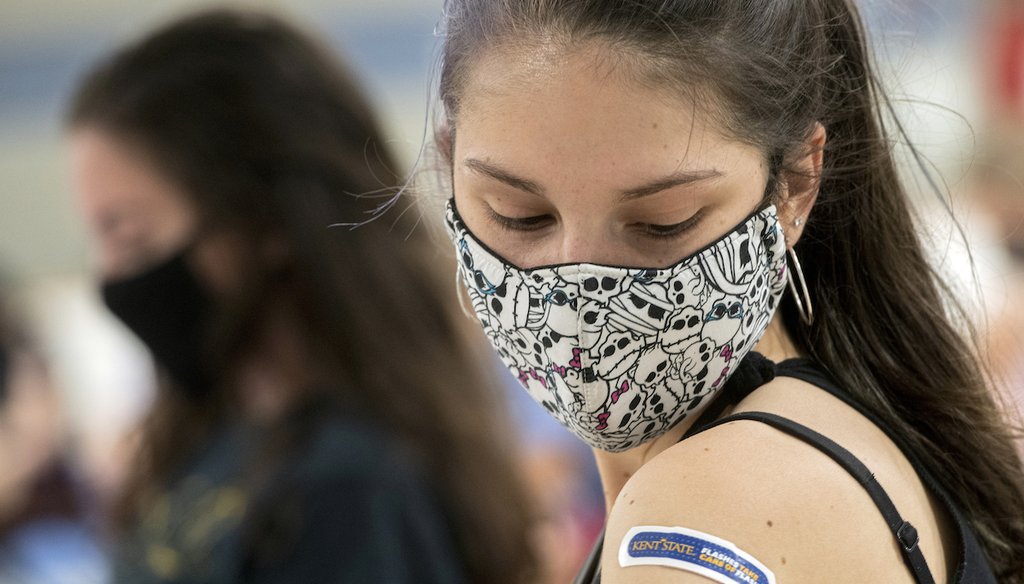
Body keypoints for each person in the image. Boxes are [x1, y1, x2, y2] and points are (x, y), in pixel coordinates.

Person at [429, 1, 1024, 582]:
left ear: (795, 184)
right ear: (448, 163)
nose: (574, 298)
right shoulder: (862, 434)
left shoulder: (694, 516)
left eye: (664, 222)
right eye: (518, 215)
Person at [67, 9, 535, 583]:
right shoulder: (216, 431)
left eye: (131, 238)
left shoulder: (350, 486)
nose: (111, 275)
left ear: (263, 222)